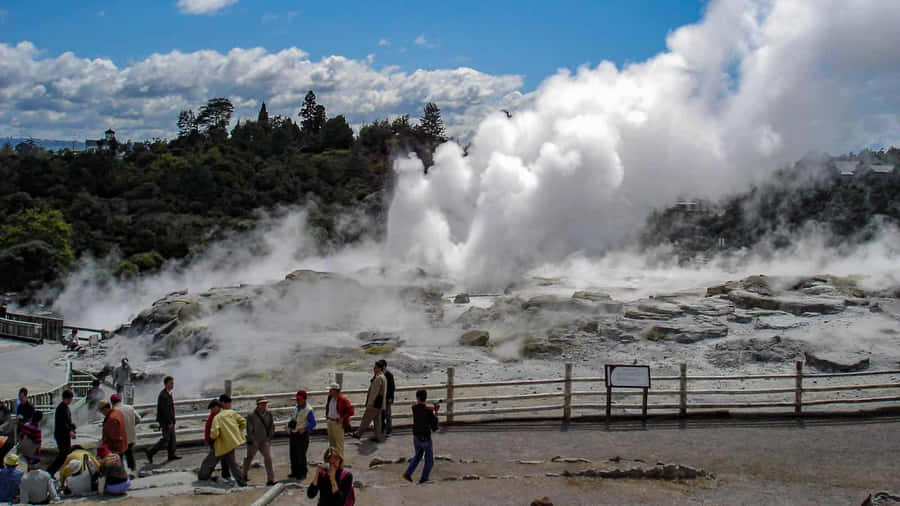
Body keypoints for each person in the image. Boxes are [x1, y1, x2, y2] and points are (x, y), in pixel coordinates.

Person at [403, 389, 440, 484]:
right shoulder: (428, 412)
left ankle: (408, 473)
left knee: (418, 456)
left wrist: (432, 409)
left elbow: (422, 408)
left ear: (417, 398)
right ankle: (424, 478)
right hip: (425, 438)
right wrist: (436, 412)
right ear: (426, 398)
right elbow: (435, 427)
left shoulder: (414, 408)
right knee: (429, 461)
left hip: (416, 437)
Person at [209, 394, 247, 486]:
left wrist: (212, 438)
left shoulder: (217, 418)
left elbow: (214, 433)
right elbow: (243, 422)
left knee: (232, 464)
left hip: (224, 444)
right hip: (233, 441)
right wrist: (238, 431)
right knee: (229, 461)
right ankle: (228, 475)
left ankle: (242, 482)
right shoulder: (231, 412)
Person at [146, 375, 179, 463]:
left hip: (170, 420)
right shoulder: (163, 395)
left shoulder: (168, 393)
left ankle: (171, 454)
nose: (173, 385)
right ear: (166, 384)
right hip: (166, 421)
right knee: (166, 439)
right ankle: (150, 452)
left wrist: (173, 420)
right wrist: (169, 422)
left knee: (172, 438)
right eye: (171, 383)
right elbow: (165, 411)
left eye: (173, 383)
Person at [244, 397, 276, 486]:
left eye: (265, 403)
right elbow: (249, 430)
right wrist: (253, 440)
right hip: (254, 441)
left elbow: (271, 426)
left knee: (268, 458)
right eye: (262, 404)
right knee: (249, 458)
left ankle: (271, 479)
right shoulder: (251, 415)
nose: (264, 405)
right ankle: (244, 474)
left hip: (264, 440)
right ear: (258, 405)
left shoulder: (269, 414)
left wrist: (269, 438)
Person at [352, 361, 387, 442]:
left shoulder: (378, 378)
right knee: (377, 421)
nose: (374, 369)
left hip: (374, 404)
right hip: (379, 404)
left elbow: (374, 393)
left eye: (375, 367)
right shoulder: (383, 377)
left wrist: (370, 403)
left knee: (366, 419)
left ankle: (358, 434)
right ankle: (378, 436)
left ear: (379, 368)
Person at [197, 400, 231, 482]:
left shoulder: (219, 416)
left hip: (219, 440)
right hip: (216, 441)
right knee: (219, 459)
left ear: (216, 407)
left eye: (212, 408)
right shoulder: (214, 415)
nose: (211, 410)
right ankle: (206, 475)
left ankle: (206, 475)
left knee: (221, 459)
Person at [288, 390, 316, 480]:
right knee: (293, 454)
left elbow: (313, 423)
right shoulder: (297, 407)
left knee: (301, 454)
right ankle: (294, 472)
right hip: (294, 433)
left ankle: (302, 473)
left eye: (299, 399)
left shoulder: (308, 409)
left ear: (304, 399)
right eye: (297, 399)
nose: (297, 401)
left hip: (302, 434)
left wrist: (304, 429)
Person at [48, 389, 77, 477]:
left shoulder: (66, 408)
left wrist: (72, 427)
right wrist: (69, 431)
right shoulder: (61, 409)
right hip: (61, 435)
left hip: (65, 435)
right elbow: (62, 424)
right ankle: (51, 471)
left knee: (65, 455)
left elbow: (68, 421)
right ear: (67, 398)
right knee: (63, 455)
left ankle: (55, 471)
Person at [110, 393, 140, 472]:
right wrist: (131, 425)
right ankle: (133, 470)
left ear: (112, 402)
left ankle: (122, 473)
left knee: (119, 456)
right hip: (130, 437)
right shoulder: (129, 408)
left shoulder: (113, 411)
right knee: (130, 454)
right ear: (120, 400)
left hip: (119, 438)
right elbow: (138, 419)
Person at [324, 383, 353, 461]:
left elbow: (351, 411)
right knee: (332, 444)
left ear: (335, 391)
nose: (329, 392)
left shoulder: (343, 400)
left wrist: (342, 418)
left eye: (330, 390)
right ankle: (333, 461)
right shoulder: (330, 398)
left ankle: (340, 463)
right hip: (330, 421)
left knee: (339, 444)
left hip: (337, 423)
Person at [377, 359, 396, 437]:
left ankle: (389, 431)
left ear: (384, 366)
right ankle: (382, 429)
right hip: (381, 398)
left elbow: (392, 387)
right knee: (381, 415)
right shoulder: (378, 374)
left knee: (388, 415)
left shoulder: (389, 375)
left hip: (387, 398)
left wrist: (390, 398)